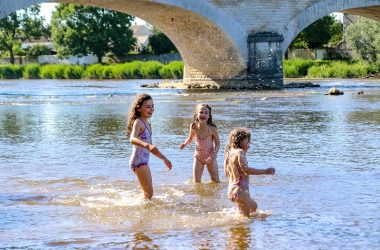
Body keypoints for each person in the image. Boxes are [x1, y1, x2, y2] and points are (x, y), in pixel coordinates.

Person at [126, 93, 172, 199]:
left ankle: (135, 204)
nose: (151, 109)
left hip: (143, 162)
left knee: (147, 193)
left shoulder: (148, 123)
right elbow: (132, 139)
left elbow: (152, 148)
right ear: (139, 108)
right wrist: (146, 145)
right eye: (148, 106)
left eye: (153, 106)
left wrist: (165, 159)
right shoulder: (139, 122)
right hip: (138, 162)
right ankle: (140, 211)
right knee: (149, 194)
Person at [224, 127, 275, 217]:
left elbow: (226, 172)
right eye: (247, 141)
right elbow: (246, 170)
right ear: (240, 140)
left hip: (233, 190)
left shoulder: (229, 153)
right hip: (241, 190)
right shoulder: (240, 152)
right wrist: (265, 171)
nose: (249, 144)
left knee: (254, 207)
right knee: (245, 220)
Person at [179, 103, 220, 183]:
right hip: (198, 156)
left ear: (209, 116)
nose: (203, 114)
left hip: (210, 156)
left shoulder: (212, 129)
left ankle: (214, 195)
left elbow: (218, 144)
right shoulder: (193, 126)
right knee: (197, 182)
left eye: (206, 113)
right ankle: (198, 195)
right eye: (201, 112)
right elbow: (190, 138)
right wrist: (184, 144)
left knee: (215, 181)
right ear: (196, 114)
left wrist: (213, 155)